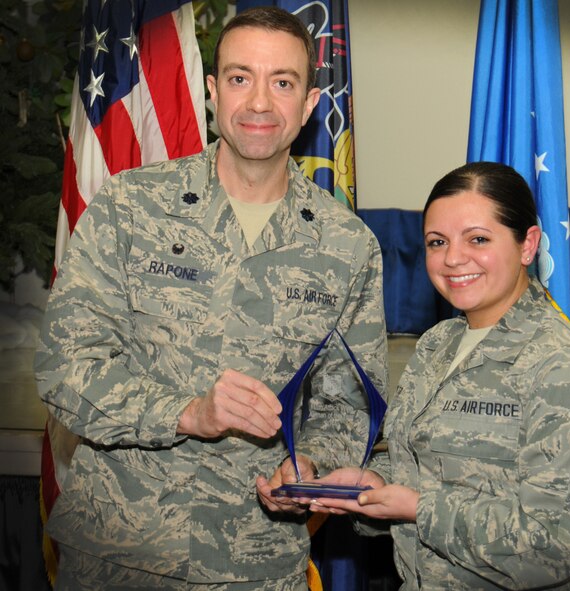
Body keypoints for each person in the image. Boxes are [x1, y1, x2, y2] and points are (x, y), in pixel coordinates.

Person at [35, 7, 387, 590]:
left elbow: (349, 408)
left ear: (307, 106)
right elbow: (64, 370)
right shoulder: (130, 208)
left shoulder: (348, 247)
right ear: (211, 92)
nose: (258, 102)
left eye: (283, 82)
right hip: (119, 557)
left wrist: (310, 466)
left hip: (257, 563)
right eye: (240, 77)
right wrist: (188, 413)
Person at [310, 162, 570, 590]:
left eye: (478, 239)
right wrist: (373, 481)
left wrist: (419, 508)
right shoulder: (437, 345)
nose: (453, 258)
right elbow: (424, 460)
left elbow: (563, 544)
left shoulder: (566, 368)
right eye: (437, 242)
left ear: (528, 244)